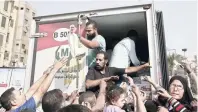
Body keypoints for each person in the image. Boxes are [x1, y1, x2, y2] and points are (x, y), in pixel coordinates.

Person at [0, 57, 68, 112]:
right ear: (14, 102)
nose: (24, 94)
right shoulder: (23, 109)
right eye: (20, 94)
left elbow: (31, 91)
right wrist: (55, 69)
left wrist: (45, 75)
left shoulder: (15, 108)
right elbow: (41, 91)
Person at [85, 51, 150, 96]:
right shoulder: (92, 70)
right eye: (96, 60)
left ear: (106, 61)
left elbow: (128, 69)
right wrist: (107, 79)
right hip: (96, 100)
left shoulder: (111, 70)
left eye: (100, 60)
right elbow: (88, 84)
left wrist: (143, 66)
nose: (97, 62)